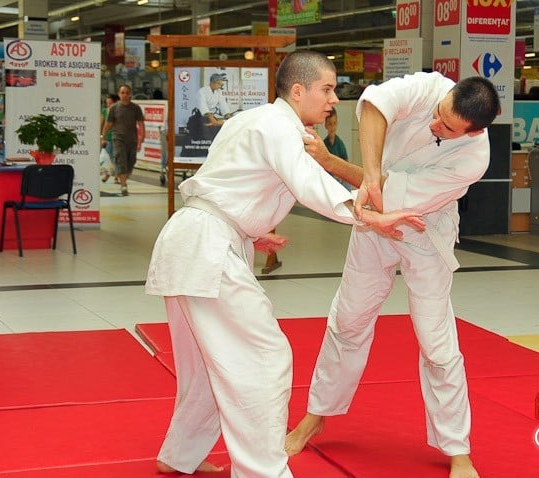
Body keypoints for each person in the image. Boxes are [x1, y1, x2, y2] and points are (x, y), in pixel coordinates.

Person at [144, 51, 425, 478]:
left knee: (206, 362)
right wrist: (366, 215)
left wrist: (249, 231)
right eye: (327, 89)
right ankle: (263, 472)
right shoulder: (280, 128)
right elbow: (308, 182)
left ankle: (179, 455)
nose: (333, 100)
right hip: (205, 247)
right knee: (263, 357)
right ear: (298, 90)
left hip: (195, 239)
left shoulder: (249, 119)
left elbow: (226, 179)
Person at [285, 71, 501, 478]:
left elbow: (388, 194)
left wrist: (333, 164)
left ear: (471, 133)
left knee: (436, 342)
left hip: (426, 230)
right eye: (438, 115)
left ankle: (458, 450)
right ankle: (316, 414)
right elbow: (374, 108)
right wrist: (367, 173)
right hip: (374, 224)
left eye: (447, 128)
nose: (436, 125)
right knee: (347, 320)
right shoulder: (432, 87)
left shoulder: (474, 158)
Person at [101, 85, 145, 196]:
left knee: (130, 163)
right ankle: (123, 186)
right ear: (119, 94)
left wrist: (141, 138)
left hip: (132, 140)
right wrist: (104, 137)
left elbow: (140, 124)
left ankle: (124, 180)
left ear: (130, 94)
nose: (124, 95)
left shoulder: (135, 108)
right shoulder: (114, 108)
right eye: (122, 92)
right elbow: (108, 124)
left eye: (127, 93)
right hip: (118, 139)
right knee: (121, 162)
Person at [323, 107, 351, 190]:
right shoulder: (324, 144)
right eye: (329, 124)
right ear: (326, 125)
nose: (332, 127)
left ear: (337, 123)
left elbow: (346, 162)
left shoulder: (340, 144)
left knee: (348, 180)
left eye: (334, 123)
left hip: (340, 175)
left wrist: (341, 174)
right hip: (330, 176)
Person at [99, 93, 119, 183]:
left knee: (117, 158)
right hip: (107, 138)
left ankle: (116, 176)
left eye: (110, 103)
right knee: (108, 157)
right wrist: (101, 136)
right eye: (107, 103)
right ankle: (108, 174)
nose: (108, 105)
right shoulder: (104, 111)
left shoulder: (119, 112)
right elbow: (100, 124)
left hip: (117, 137)